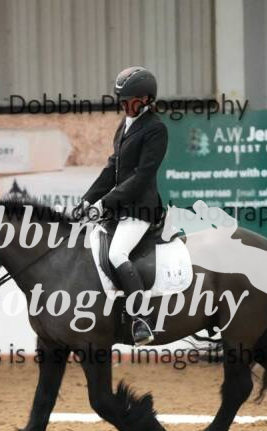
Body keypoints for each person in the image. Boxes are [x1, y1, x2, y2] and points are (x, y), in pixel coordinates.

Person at [75, 66, 168, 346]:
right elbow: (113, 167)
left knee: (117, 253)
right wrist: (87, 199)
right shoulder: (124, 126)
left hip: (141, 210)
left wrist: (104, 204)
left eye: (129, 100)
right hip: (120, 210)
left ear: (146, 99)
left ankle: (142, 319)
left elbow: (141, 176)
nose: (124, 105)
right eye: (122, 100)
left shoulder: (156, 129)